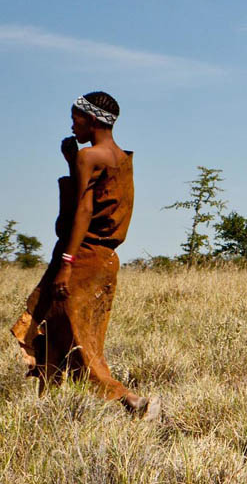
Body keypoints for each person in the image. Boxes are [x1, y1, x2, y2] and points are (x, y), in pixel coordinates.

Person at [11, 92, 160, 419]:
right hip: (104, 262)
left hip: (82, 258)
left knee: (79, 344)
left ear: (92, 121)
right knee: (60, 334)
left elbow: (83, 209)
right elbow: (95, 195)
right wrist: (70, 160)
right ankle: (48, 410)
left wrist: (66, 264)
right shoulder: (118, 156)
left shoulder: (89, 156)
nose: (71, 124)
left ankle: (131, 402)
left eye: (75, 117)